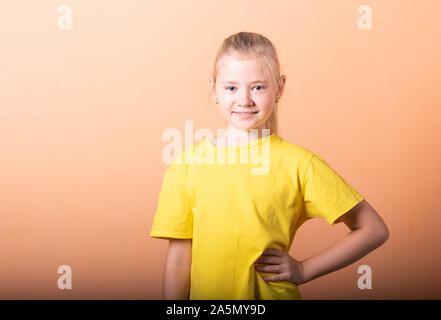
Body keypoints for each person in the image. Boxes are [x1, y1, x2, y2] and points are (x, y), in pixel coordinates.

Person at [149, 31, 389, 300]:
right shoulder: (186, 166)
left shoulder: (299, 164)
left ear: (279, 88)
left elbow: (373, 230)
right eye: (231, 87)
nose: (244, 100)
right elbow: (180, 261)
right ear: (214, 89)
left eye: (258, 87)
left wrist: (304, 269)